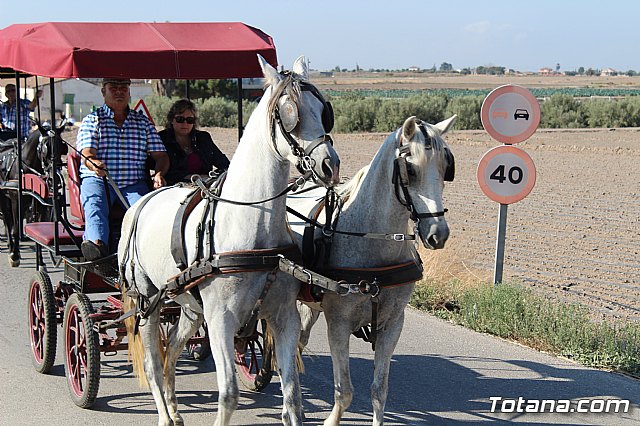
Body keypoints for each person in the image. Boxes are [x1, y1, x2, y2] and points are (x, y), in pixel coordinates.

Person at [77, 77, 169, 260]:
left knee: (146, 211)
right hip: (99, 180)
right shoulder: (92, 120)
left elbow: (161, 156)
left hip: (133, 183)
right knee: (95, 206)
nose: (119, 91)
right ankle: (96, 250)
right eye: (113, 87)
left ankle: (147, 254)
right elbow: (87, 153)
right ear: (104, 92)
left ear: (129, 92)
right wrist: (94, 163)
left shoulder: (142, 123)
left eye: (123, 88)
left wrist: (159, 173)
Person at [158, 99, 230, 185]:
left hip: (204, 188)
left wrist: (212, 177)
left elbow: (224, 164)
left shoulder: (203, 138)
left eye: (189, 120)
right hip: (173, 189)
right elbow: (156, 169)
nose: (185, 124)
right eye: (180, 119)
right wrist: (187, 177)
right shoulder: (161, 139)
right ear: (171, 120)